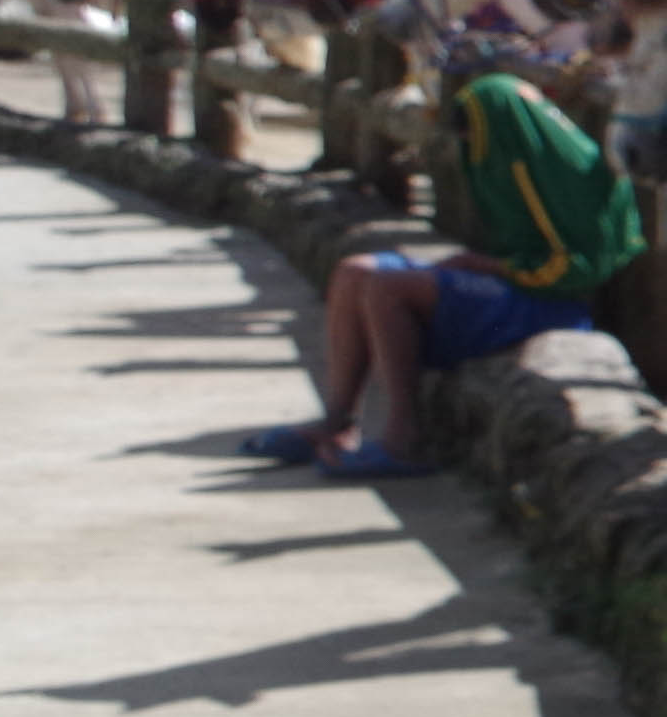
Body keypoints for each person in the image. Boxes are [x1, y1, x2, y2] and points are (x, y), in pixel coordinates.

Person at [248, 71, 645, 480]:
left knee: (389, 288)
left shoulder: (561, 174)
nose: (467, 144)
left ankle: (405, 436)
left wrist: (488, 268)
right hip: (513, 285)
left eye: (470, 133)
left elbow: (580, 268)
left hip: (547, 303)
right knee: (354, 271)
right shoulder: (522, 155)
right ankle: (337, 420)